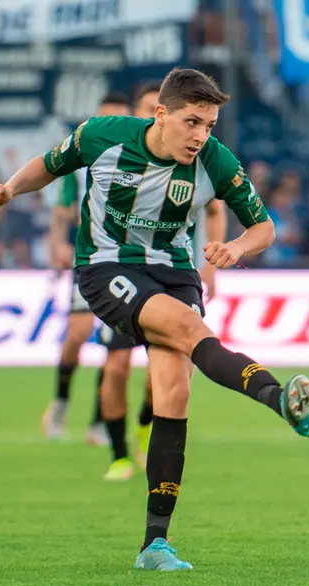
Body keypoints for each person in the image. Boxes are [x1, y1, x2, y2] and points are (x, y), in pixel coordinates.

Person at [0, 67, 309, 571]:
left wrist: (236, 247)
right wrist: (8, 190)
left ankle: (154, 545)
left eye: (209, 125)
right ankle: (276, 397)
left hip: (176, 273)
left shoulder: (215, 161)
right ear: (160, 114)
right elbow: (49, 166)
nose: (200, 135)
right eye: (192, 122)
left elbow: (264, 226)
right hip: (107, 267)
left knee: (174, 395)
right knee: (188, 330)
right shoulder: (102, 136)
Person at [98, 82, 228, 482]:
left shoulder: (194, 159)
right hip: (119, 274)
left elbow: (218, 207)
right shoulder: (116, 154)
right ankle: (119, 455)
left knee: (167, 381)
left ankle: (144, 428)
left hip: (171, 275)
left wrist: (211, 263)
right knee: (116, 366)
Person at [42, 91, 132, 446]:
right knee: (77, 336)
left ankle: (99, 421)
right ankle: (61, 403)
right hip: (89, 258)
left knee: (114, 348)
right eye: (104, 118)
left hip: (127, 261)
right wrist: (58, 243)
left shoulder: (144, 157)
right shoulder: (81, 154)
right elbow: (63, 208)